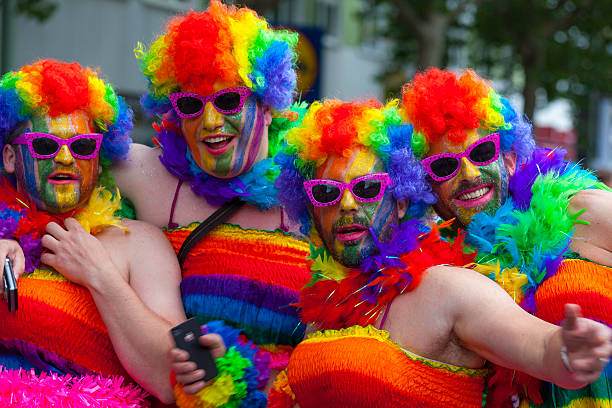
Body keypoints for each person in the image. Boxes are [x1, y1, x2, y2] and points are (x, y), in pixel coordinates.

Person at [267, 99, 612, 408]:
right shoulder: (324, 308)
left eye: (368, 188)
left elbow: (540, 349)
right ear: (310, 209)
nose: (347, 205)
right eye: (326, 192)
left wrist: (566, 351)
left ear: (401, 200)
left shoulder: (450, 287)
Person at [111, 1, 312, 405]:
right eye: (191, 104)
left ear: (270, 105)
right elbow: (50, 169)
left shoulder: (319, 192)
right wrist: (9, 234)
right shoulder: (148, 176)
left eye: (228, 101)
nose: (210, 122)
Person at [401, 68, 612, 406]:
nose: (469, 173)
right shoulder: (447, 275)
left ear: (510, 160)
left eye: (481, 153)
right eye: (444, 166)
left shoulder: (578, 210)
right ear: (430, 191)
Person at [0, 59, 186, 406]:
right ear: (10, 157)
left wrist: (101, 275)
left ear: (98, 160)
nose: (66, 158)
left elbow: (172, 381)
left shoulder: (139, 242)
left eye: (83, 146)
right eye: (44, 145)